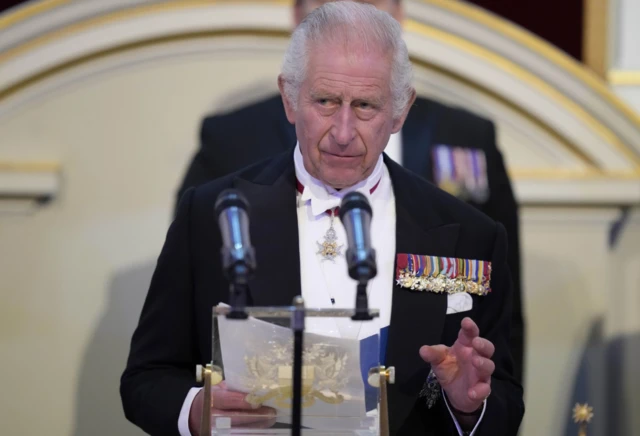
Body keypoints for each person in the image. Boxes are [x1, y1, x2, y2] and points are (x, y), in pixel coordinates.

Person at [122, 3, 524, 435]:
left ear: (400, 110)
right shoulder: (210, 214)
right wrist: (196, 410)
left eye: (366, 105)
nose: (344, 131)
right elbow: (146, 378)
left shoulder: (471, 237)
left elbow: (504, 400)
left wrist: (466, 408)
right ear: (289, 98)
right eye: (325, 101)